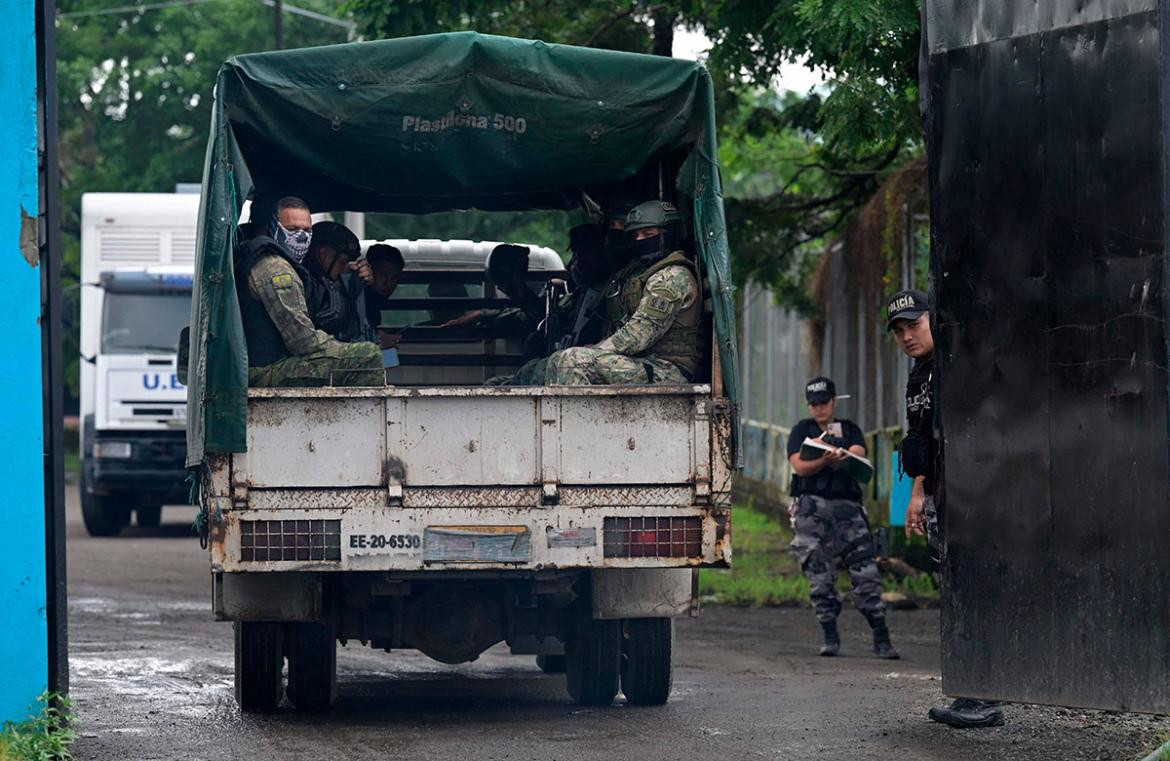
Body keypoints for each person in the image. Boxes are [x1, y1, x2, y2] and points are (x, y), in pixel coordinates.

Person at [887, 288, 1005, 728]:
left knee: (971, 589)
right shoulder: (920, 373)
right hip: (940, 492)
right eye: (898, 330)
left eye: (914, 325)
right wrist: (916, 495)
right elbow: (920, 441)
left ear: (935, 320)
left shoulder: (958, 368)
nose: (907, 336)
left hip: (971, 496)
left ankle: (986, 696)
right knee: (952, 590)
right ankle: (971, 692)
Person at [787, 376, 899, 660]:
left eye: (823, 403)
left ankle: (881, 636)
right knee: (819, 574)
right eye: (813, 404)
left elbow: (859, 456)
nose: (819, 409)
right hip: (811, 510)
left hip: (848, 509)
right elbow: (799, 466)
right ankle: (830, 635)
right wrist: (824, 459)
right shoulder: (803, 430)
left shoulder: (849, 430)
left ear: (834, 402)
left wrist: (842, 456)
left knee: (866, 572)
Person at [545, 200, 702, 385]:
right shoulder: (645, 272)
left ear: (669, 234)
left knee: (571, 362)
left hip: (669, 370)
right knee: (557, 359)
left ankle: (574, 415)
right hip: (646, 362)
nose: (640, 240)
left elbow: (639, 334)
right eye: (636, 235)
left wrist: (597, 349)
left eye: (648, 234)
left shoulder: (672, 277)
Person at [235, 196, 382, 387]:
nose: (302, 236)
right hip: (263, 372)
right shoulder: (276, 269)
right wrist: (344, 349)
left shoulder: (284, 264)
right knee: (368, 356)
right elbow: (303, 341)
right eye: (293, 229)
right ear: (274, 228)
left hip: (267, 366)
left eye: (307, 230)